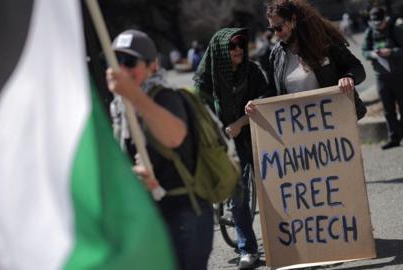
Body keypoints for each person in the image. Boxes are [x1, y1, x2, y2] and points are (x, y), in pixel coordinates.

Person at [107, 29, 214, 270]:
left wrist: (134, 96)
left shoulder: (165, 98)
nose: (121, 69)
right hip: (151, 219)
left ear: (152, 66)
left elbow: (174, 137)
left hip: (184, 217)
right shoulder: (120, 108)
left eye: (129, 62)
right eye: (116, 62)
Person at [193, 28, 270, 269]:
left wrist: (241, 121)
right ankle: (248, 248)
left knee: (269, 191)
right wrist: (219, 130)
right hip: (219, 143)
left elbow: (266, 99)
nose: (237, 49)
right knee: (237, 198)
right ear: (220, 51)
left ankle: (283, 245)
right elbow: (199, 112)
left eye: (241, 44)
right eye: (232, 46)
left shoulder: (253, 71)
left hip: (250, 137)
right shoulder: (207, 77)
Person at [245, 0, 367, 123]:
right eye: (272, 29)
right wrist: (257, 103)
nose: (276, 34)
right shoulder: (276, 55)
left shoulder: (324, 43)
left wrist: (348, 78)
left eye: (279, 28)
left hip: (334, 122)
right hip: (301, 130)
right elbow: (273, 90)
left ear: (293, 20)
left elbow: (357, 68)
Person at [362, 6, 403, 149]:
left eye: (380, 22)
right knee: (388, 109)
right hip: (381, 77)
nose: (378, 25)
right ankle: (394, 138)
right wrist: (373, 54)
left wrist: (391, 52)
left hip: (399, 75)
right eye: (375, 23)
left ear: (385, 18)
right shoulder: (370, 32)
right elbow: (364, 51)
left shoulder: (395, 30)